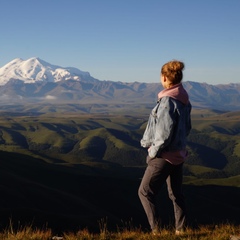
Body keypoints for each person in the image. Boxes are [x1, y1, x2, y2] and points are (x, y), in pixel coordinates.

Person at [138, 60, 192, 236]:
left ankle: (157, 231)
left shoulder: (168, 100)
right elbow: (187, 127)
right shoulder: (184, 98)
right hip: (178, 154)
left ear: (165, 77)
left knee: (145, 192)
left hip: (164, 155)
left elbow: (164, 133)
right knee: (176, 194)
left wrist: (153, 152)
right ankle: (181, 229)